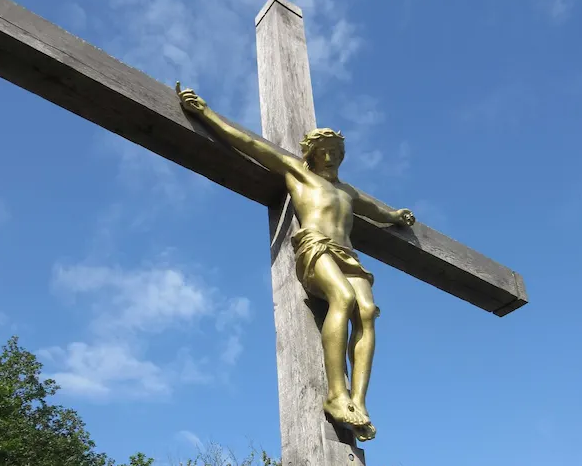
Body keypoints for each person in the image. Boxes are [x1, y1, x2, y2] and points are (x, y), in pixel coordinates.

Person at [176, 83, 415, 440]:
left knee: (366, 312)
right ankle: (336, 394)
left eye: (336, 151)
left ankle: (358, 401)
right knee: (343, 300)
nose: (330, 158)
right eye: (324, 152)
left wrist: (396, 215)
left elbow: (376, 209)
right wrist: (205, 114)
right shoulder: (299, 174)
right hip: (314, 245)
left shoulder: (347, 191)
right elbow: (251, 145)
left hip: (348, 254)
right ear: (312, 154)